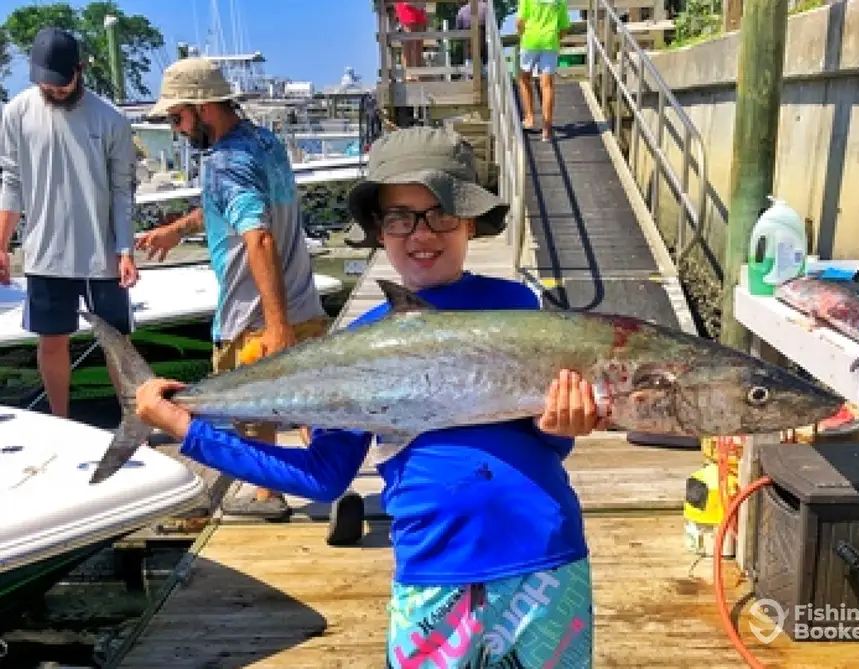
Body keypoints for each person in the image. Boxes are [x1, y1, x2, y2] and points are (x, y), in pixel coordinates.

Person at [132, 126, 601, 667]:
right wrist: (189, 430)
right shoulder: (358, 347)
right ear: (379, 229)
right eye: (400, 217)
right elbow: (324, 476)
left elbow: (540, 444)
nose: (421, 233)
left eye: (441, 212)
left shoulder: (519, 307)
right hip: (434, 575)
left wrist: (562, 428)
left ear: (469, 219)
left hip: (549, 558)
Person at [134, 57, 364, 538]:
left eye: (177, 118)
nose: (176, 130)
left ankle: (267, 495)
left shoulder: (222, 161)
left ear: (201, 107)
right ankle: (338, 491)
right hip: (301, 304)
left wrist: (274, 323)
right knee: (311, 404)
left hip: (253, 314)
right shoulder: (265, 142)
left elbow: (258, 236)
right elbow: (229, 207)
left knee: (249, 410)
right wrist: (178, 229)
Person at [0, 27, 138, 418]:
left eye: (62, 84)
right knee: (51, 341)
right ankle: (61, 423)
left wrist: (125, 249)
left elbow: (123, 190)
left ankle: (135, 419)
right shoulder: (16, 113)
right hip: (45, 253)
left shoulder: (111, 118)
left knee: (117, 343)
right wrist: (2, 245)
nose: (55, 91)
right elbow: (11, 181)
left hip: (102, 253)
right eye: (47, 85)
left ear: (79, 70)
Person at [516, 0, 571, 142]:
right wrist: (555, 39)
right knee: (547, 85)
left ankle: (529, 118)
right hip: (550, 41)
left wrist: (522, 36)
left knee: (524, 78)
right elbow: (565, 27)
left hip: (530, 40)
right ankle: (546, 129)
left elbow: (520, 21)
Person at [395, 2, 429, 81]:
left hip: (420, 9)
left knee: (419, 43)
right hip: (406, 7)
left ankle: (418, 73)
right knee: (408, 42)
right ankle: (408, 73)